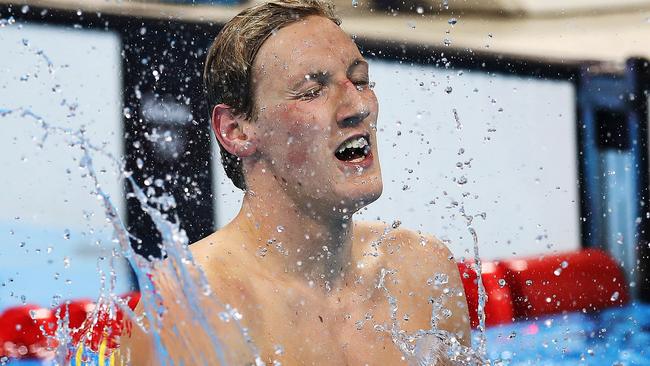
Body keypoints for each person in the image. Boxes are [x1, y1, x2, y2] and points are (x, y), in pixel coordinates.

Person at [123, 0, 470, 364]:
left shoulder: (420, 272)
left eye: (360, 80)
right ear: (236, 131)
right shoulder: (194, 308)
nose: (358, 106)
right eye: (311, 90)